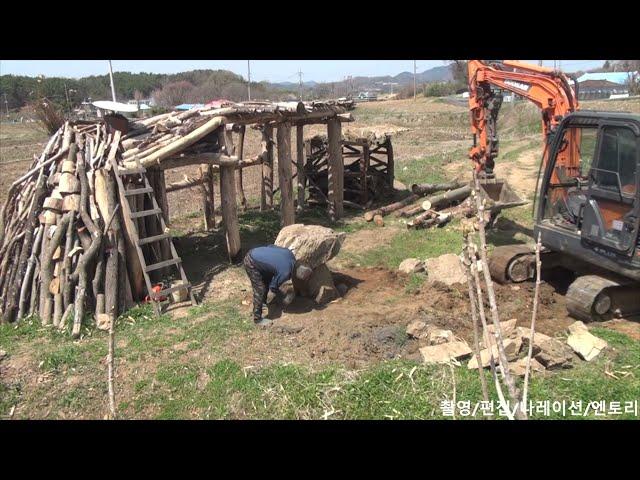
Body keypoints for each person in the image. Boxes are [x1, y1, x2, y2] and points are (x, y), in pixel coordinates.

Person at [243, 245, 312, 326]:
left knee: (267, 279)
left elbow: (271, 246)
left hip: (256, 252)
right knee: (260, 289)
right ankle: (257, 319)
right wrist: (283, 299)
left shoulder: (290, 255)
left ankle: (263, 303)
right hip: (251, 262)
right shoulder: (285, 272)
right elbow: (273, 287)